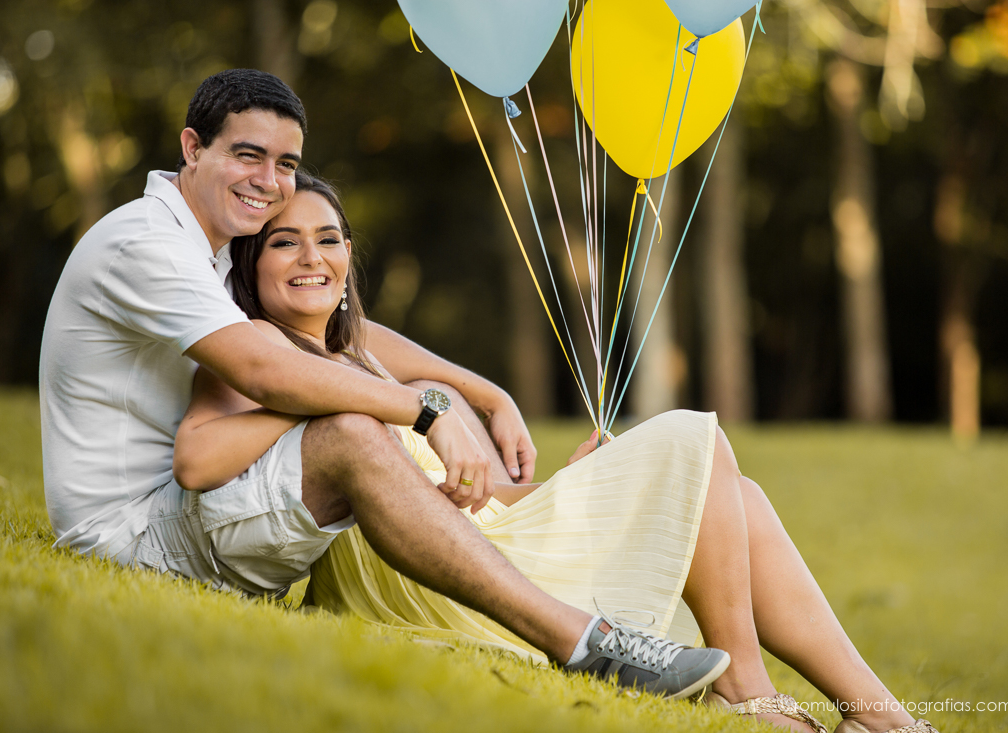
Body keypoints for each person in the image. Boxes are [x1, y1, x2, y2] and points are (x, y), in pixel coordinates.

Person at [38, 68, 729, 702]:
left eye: (286, 163)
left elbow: (342, 338)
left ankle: (746, 688)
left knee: (349, 405)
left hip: (188, 508)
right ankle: (581, 640)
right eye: (248, 155)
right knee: (349, 427)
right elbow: (265, 370)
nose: (268, 180)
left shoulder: (208, 246)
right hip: (133, 535)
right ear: (193, 148)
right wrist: (423, 409)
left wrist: (482, 393)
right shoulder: (150, 244)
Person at [173, 172, 939, 733]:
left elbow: (464, 464)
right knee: (691, 435)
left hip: (479, 542)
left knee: (744, 496)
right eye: (284, 242)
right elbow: (203, 454)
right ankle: (745, 688)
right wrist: (326, 399)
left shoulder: (358, 349)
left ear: (347, 257)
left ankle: (881, 715)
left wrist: (534, 439)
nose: (310, 257)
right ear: (252, 264)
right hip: (414, 583)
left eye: (327, 239)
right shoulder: (257, 350)